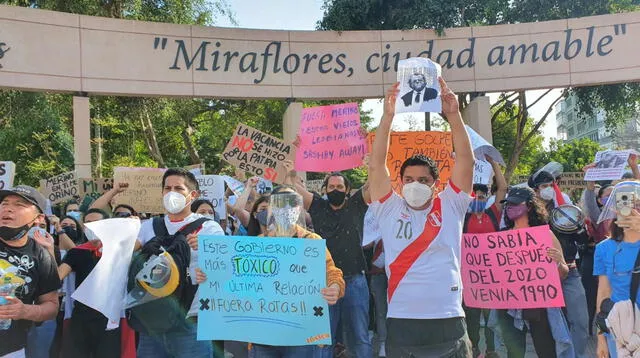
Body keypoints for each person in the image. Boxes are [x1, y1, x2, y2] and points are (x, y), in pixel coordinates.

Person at [368, 78, 474, 356]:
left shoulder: (451, 205)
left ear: (436, 185)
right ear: (399, 182)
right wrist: (387, 116)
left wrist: (454, 115)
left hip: (448, 318)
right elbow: (377, 164)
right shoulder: (389, 208)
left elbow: (466, 160)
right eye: (409, 179)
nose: (415, 184)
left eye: (423, 180)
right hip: (403, 320)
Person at [196, 186, 344, 358]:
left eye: (292, 205)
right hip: (263, 337)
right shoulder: (257, 244)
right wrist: (209, 274)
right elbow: (232, 276)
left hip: (302, 335)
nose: (286, 210)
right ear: (271, 209)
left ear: (299, 209)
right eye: (280, 204)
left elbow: (332, 272)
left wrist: (335, 287)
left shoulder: (311, 241)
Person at [134, 168, 224, 358]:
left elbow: (224, 269)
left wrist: (207, 249)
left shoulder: (209, 228)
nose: (171, 193)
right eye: (167, 188)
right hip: (153, 323)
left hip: (190, 323)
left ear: (193, 195)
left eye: (178, 188)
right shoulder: (148, 226)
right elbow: (123, 255)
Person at [285, 163, 372, 358]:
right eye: (331, 187)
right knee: (323, 338)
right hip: (323, 283)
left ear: (348, 190)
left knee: (360, 336)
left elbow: (374, 184)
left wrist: (372, 166)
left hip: (355, 280)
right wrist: (291, 170)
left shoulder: (356, 204)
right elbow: (293, 188)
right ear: (324, 190)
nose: (335, 190)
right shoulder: (317, 205)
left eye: (340, 187)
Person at [497, 186, 571, 358]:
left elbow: (564, 273)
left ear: (529, 207)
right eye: (508, 204)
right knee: (513, 351)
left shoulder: (545, 235)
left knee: (546, 349)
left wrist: (558, 263)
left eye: (515, 204)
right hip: (510, 302)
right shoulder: (501, 237)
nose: (510, 208)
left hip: (539, 303)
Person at [530, 168, 590, 358]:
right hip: (541, 277)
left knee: (580, 321)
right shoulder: (529, 214)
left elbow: (582, 241)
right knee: (548, 326)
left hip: (570, 271)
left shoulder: (565, 210)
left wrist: (579, 230)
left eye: (551, 185)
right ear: (536, 190)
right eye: (543, 186)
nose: (548, 189)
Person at [0, 185, 61, 357]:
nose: (8, 208)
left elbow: (51, 306)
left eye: (19, 204)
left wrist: (24, 311)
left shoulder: (42, 256)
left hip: (11, 350)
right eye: (4, 203)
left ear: (38, 217)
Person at [57, 208, 122, 358]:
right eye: (88, 223)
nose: (93, 226)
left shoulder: (119, 252)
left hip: (109, 318)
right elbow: (58, 276)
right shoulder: (77, 252)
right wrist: (48, 248)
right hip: (82, 317)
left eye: (98, 223)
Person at [463, 157, 507, 358]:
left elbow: (503, 189)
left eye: (481, 197)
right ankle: (473, 348)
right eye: (474, 197)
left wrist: (494, 164)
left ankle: (491, 350)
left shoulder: (493, 214)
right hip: (470, 276)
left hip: (491, 275)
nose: (477, 200)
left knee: (491, 316)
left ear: (486, 198)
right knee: (471, 316)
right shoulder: (463, 218)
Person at [594, 181, 640, 358]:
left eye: (637, 203)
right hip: (620, 331)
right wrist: (601, 338)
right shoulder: (604, 249)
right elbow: (603, 292)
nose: (631, 208)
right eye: (624, 201)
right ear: (615, 208)